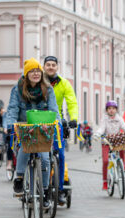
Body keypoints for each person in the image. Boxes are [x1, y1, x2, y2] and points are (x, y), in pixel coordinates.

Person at [5, 58, 60, 209]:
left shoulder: (48, 89)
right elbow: (12, 109)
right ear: (26, 73)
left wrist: (58, 125)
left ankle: (45, 191)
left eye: (38, 71)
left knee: (45, 159)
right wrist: (10, 126)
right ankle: (19, 178)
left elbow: (54, 110)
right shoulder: (17, 89)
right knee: (24, 148)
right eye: (32, 71)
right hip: (25, 127)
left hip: (43, 128)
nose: (36, 74)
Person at [44, 56, 78, 204]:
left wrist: (74, 118)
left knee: (60, 155)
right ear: (44, 67)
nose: (51, 67)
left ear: (57, 67)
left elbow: (72, 101)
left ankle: (60, 189)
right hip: (39, 119)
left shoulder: (64, 83)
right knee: (38, 154)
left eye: (53, 65)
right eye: (48, 65)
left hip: (57, 121)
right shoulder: (39, 81)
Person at [94, 101, 125, 190]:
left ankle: (123, 164)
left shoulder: (119, 118)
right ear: (107, 110)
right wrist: (97, 134)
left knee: (123, 142)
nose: (111, 110)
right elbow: (101, 128)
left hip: (116, 141)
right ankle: (105, 182)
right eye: (109, 109)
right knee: (105, 161)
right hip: (106, 141)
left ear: (116, 110)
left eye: (113, 108)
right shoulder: (104, 119)